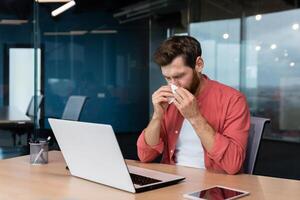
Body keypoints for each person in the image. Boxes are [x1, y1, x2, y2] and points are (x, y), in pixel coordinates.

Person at [137, 36, 250, 175]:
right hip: (172, 183)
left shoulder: (233, 99)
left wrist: (195, 117)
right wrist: (157, 116)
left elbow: (233, 164)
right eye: (167, 78)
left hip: (213, 188)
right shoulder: (168, 102)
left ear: (199, 64)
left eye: (179, 76)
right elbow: (145, 155)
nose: (173, 85)